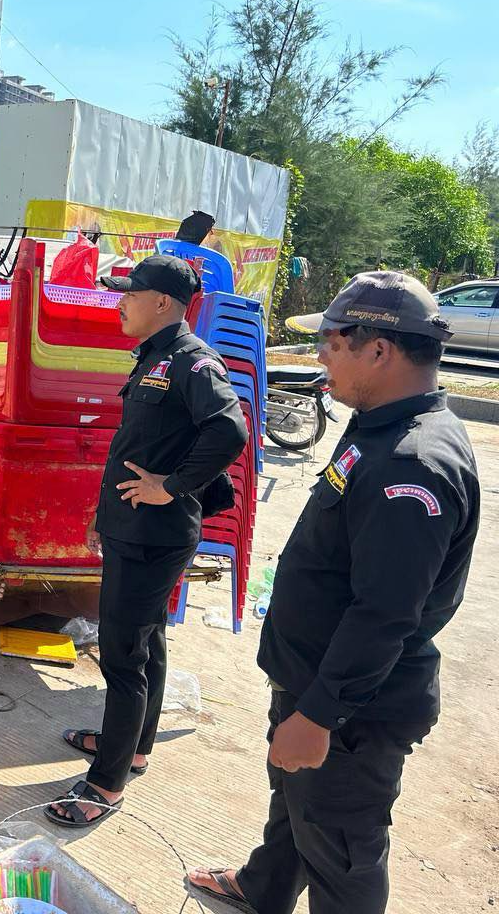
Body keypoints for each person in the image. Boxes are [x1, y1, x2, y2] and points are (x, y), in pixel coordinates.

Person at [185, 271, 480, 914]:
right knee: (296, 805)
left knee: (342, 850)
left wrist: (319, 716)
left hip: (351, 712)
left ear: (379, 349)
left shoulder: (410, 464)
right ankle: (264, 888)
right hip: (316, 678)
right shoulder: (380, 424)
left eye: (331, 342)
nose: (320, 355)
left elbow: (384, 614)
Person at [46, 254, 248, 828]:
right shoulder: (154, 357)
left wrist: (172, 486)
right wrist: (103, 512)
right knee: (147, 640)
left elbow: (229, 430)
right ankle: (132, 747)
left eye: (130, 294)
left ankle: (105, 785)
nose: (121, 303)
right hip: (131, 527)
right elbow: (136, 444)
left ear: (162, 303)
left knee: (122, 654)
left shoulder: (191, 360)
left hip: (153, 535)